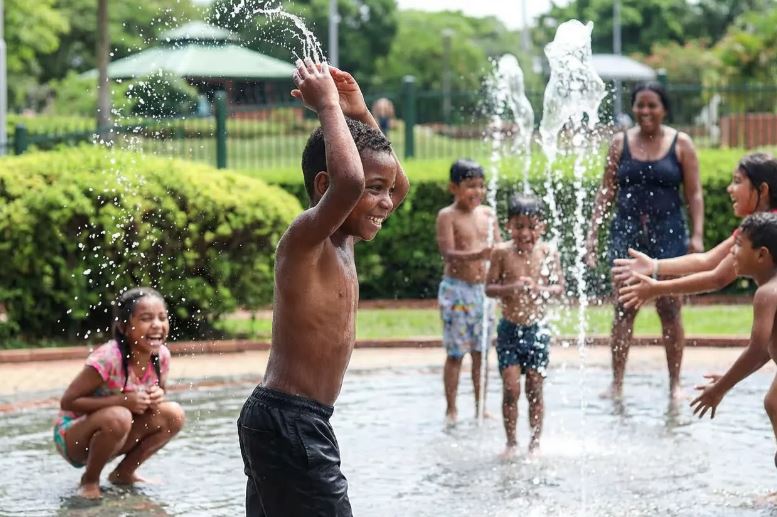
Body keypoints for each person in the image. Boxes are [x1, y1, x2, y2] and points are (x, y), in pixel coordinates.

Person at [237, 59, 409, 517]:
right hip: (289, 419)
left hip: (293, 420)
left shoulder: (347, 237)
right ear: (323, 185)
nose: (387, 202)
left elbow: (395, 184)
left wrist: (360, 112)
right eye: (378, 190)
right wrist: (329, 108)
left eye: (386, 192)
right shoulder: (305, 239)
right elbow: (351, 181)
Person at [585, 81, 704, 399]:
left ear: (664, 109)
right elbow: (607, 191)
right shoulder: (619, 143)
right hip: (627, 232)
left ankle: (675, 383)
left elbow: (693, 193)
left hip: (669, 233)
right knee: (624, 308)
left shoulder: (681, 143)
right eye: (640, 105)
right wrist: (592, 235)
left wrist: (697, 235)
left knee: (670, 307)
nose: (645, 111)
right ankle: (617, 383)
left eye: (652, 105)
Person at [54, 287, 185, 499]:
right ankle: (89, 481)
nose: (157, 325)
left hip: (117, 432)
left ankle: (124, 473)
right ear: (125, 327)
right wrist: (122, 401)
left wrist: (157, 396)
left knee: (173, 414)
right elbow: (68, 401)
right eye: (146, 318)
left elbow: (159, 391)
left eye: (162, 317)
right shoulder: (109, 358)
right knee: (119, 415)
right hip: (74, 438)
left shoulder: (161, 356)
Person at [615, 153, 777, 308]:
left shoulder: (766, 228)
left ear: (762, 190)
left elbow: (717, 278)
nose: (729, 188)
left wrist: (657, 288)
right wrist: (654, 265)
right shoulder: (759, 226)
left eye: (737, 181)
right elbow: (708, 260)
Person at [690, 213, 777, 465]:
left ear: (762, 255)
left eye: (738, 245)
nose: (732, 253)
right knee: (773, 402)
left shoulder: (767, 294)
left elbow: (756, 349)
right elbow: (765, 352)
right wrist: (730, 377)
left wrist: (720, 389)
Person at [486, 194, 563, 458]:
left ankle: (535, 442)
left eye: (532, 226)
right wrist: (511, 287)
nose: (526, 233)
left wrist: (540, 289)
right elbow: (489, 288)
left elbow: (559, 288)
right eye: (519, 226)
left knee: (534, 387)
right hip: (509, 328)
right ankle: (511, 442)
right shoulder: (501, 252)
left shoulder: (549, 252)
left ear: (542, 227)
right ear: (509, 226)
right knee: (511, 388)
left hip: (536, 330)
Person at [436, 158, 501, 424]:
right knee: (456, 353)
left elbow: (499, 249)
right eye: (470, 186)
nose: (477, 192)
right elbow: (448, 253)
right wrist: (480, 254)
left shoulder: (488, 215)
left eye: (481, 186)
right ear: (454, 187)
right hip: (457, 292)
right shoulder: (447, 216)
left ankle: (481, 406)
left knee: (481, 353)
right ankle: (451, 408)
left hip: (482, 293)